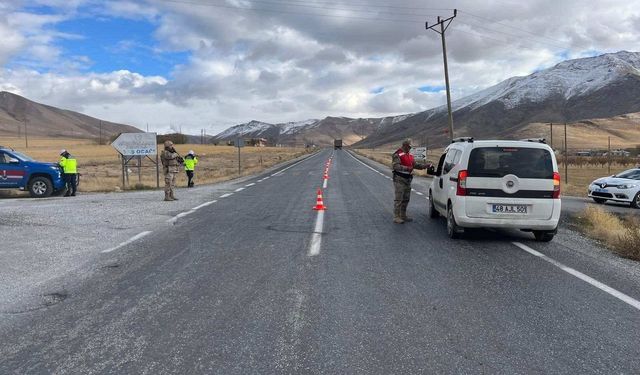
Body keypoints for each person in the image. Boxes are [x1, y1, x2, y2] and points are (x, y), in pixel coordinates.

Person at [391, 138, 427, 224]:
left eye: (410, 147)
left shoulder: (410, 155)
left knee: (406, 198)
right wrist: (407, 168)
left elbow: (415, 165)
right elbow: (395, 166)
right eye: (409, 146)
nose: (410, 148)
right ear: (405, 145)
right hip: (399, 179)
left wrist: (425, 166)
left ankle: (403, 215)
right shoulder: (397, 154)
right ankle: (396, 216)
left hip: (408, 179)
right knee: (399, 198)